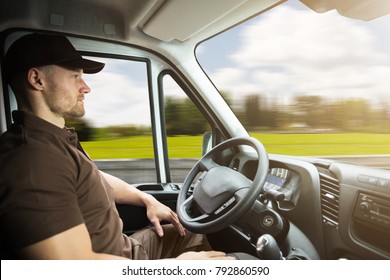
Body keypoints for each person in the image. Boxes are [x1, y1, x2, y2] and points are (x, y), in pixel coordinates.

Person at [0, 33, 233, 260]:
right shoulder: (34, 161)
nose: (86, 87)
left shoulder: (53, 142)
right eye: (75, 77)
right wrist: (178, 269)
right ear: (37, 80)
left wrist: (145, 199)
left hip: (127, 250)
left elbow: (96, 180)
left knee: (194, 233)